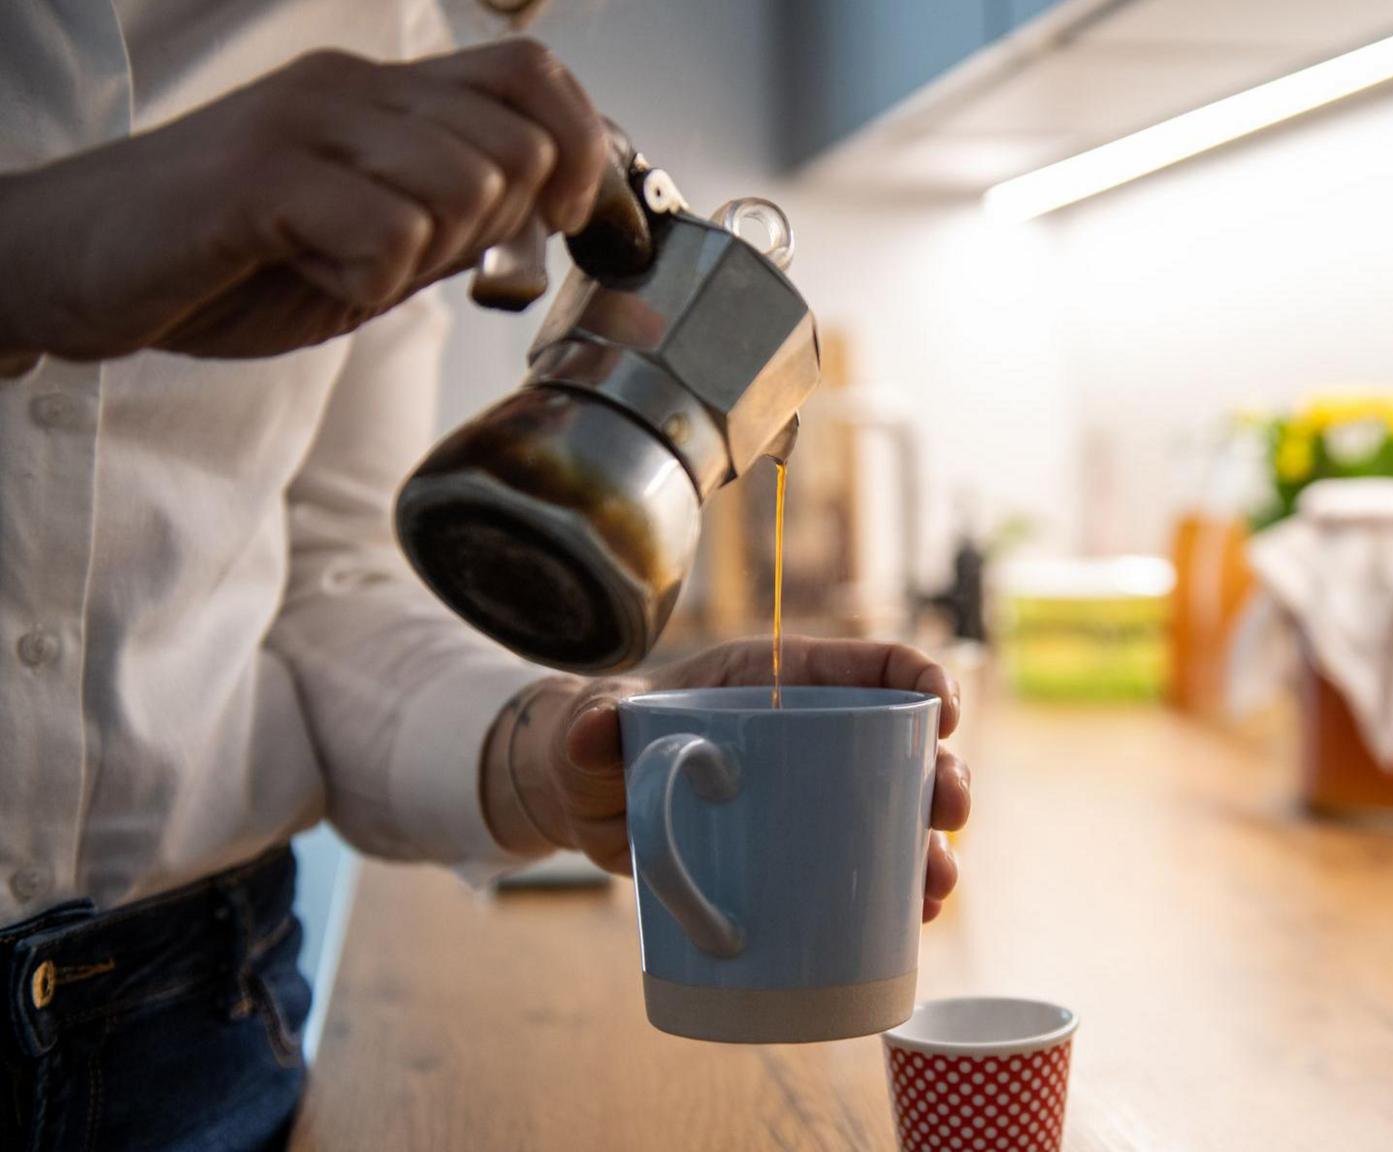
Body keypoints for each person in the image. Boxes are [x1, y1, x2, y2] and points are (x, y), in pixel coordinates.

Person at [0, 3, 972, 1149]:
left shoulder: (393, 36)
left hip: (193, 1012)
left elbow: (326, 581)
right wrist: (43, 254)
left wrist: (554, 753)